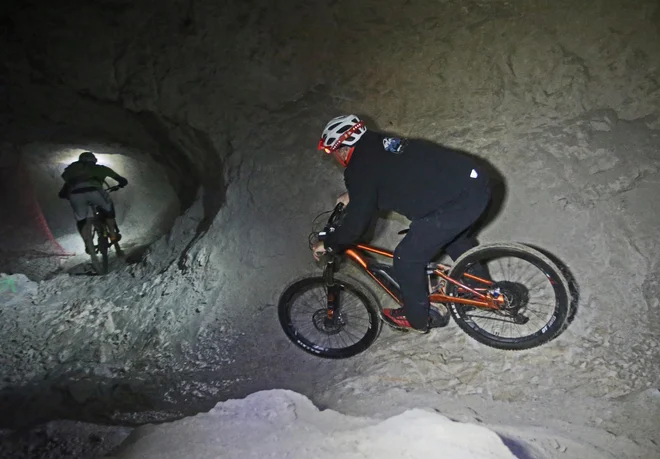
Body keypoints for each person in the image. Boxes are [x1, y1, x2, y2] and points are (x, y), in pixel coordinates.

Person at [311, 115, 492, 333]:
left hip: (456, 201)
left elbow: (356, 225)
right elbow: (388, 172)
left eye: (333, 151)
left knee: (406, 258)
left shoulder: (358, 169)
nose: (336, 156)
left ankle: (417, 318)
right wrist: (355, 195)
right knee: (455, 238)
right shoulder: (381, 143)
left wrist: (330, 243)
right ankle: (477, 286)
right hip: (475, 184)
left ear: (342, 147)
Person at [58, 151, 128, 253]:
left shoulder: (72, 171)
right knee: (108, 208)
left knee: (81, 220)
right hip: (94, 191)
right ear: (94, 160)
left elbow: (62, 193)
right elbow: (123, 180)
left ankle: (88, 245)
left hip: (75, 194)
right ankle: (113, 235)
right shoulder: (101, 169)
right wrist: (120, 184)